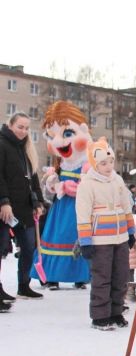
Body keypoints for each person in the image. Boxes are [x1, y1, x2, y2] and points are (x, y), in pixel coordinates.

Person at [76, 138, 136, 330]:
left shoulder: (117, 180)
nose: (108, 166)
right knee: (102, 277)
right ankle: (100, 315)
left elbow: (127, 208)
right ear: (94, 164)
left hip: (120, 238)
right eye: (103, 163)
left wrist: (131, 232)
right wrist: (85, 241)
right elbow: (83, 214)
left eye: (110, 162)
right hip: (99, 239)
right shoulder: (87, 184)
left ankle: (116, 312)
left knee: (121, 276)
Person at [35, 101, 91, 290]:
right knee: (56, 236)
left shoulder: (87, 163)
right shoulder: (62, 164)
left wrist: (66, 187)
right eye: (52, 136)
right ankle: (51, 275)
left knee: (76, 238)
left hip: (79, 210)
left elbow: (88, 187)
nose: (59, 141)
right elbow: (52, 189)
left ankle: (79, 275)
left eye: (67, 134)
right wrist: (52, 183)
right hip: (60, 210)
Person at [0, 112, 46, 303]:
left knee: (28, 246)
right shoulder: (2, 145)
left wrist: (38, 202)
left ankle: (23, 285)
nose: (24, 131)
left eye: (27, 128)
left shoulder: (25, 149)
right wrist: (4, 201)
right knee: (1, 248)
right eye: (20, 127)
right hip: (6, 208)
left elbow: (33, 178)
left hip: (25, 207)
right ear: (10, 125)